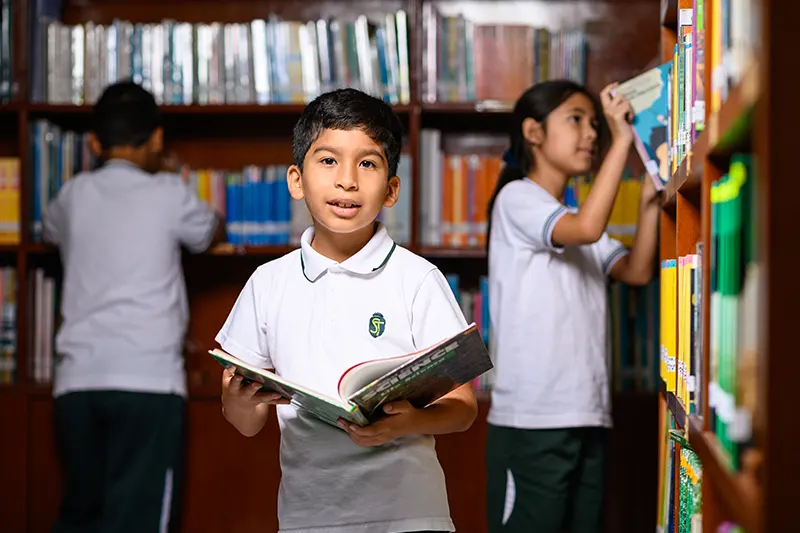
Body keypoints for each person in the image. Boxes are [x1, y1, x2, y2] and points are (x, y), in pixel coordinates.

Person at [216, 87, 478, 533]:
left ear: (391, 189)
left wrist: (406, 423)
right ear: (296, 180)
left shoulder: (417, 278)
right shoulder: (268, 283)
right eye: (328, 160)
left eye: (368, 163)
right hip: (308, 516)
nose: (347, 181)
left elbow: (463, 408)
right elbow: (245, 422)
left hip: (411, 514)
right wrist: (238, 400)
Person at [44, 81, 224, 533]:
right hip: (148, 382)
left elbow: (49, 232)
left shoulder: (71, 195)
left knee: (81, 513)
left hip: (77, 382)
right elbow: (207, 232)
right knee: (140, 521)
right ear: (158, 139)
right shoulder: (169, 193)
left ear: (93, 143)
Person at [484, 80, 660, 533]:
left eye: (595, 124)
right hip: (533, 421)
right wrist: (624, 139)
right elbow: (584, 227)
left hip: (588, 415)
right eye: (576, 119)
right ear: (534, 132)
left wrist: (649, 203)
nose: (592, 134)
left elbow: (637, 272)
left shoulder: (571, 218)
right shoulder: (518, 198)